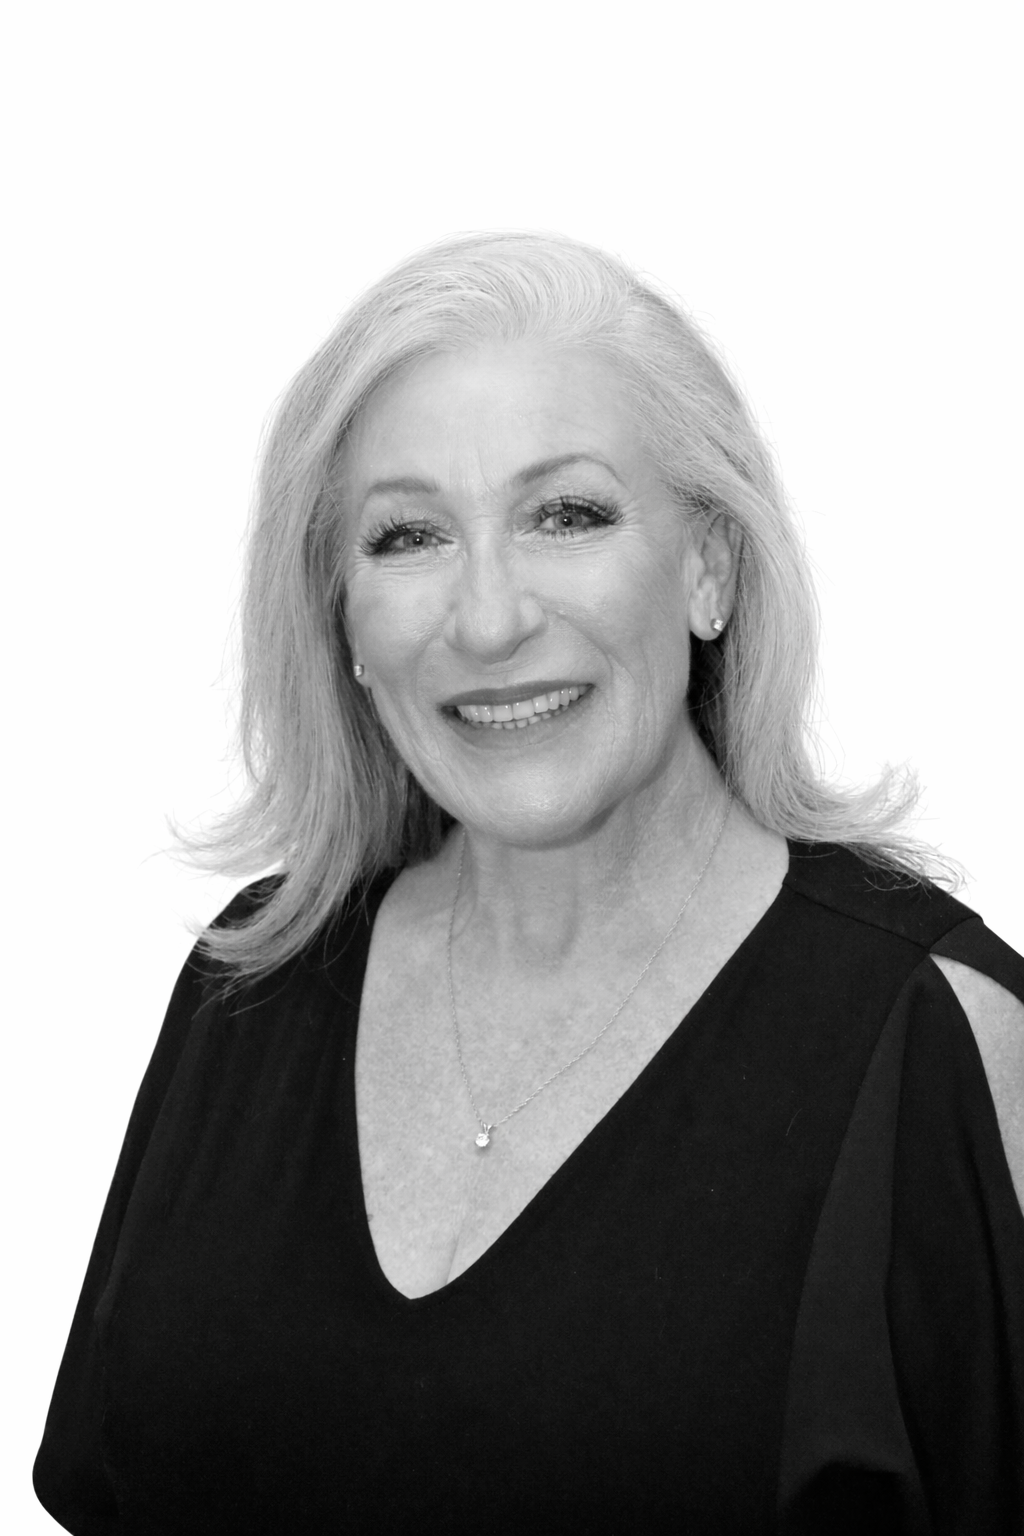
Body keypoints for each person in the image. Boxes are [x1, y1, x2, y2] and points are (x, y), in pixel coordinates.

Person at [34, 232, 1024, 1534]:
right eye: (409, 536)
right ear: (341, 618)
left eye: (568, 515)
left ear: (711, 568)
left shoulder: (940, 1038)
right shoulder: (255, 978)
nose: (490, 619)